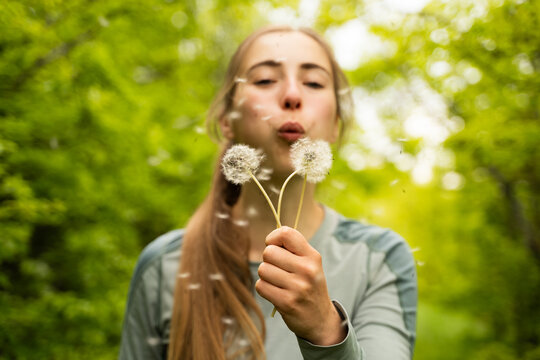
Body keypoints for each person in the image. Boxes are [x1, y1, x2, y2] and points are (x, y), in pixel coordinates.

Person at [119, 25, 417, 360]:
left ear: (335, 123)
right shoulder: (162, 267)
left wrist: (325, 330)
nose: (292, 95)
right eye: (264, 80)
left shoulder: (379, 259)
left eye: (314, 83)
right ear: (227, 120)